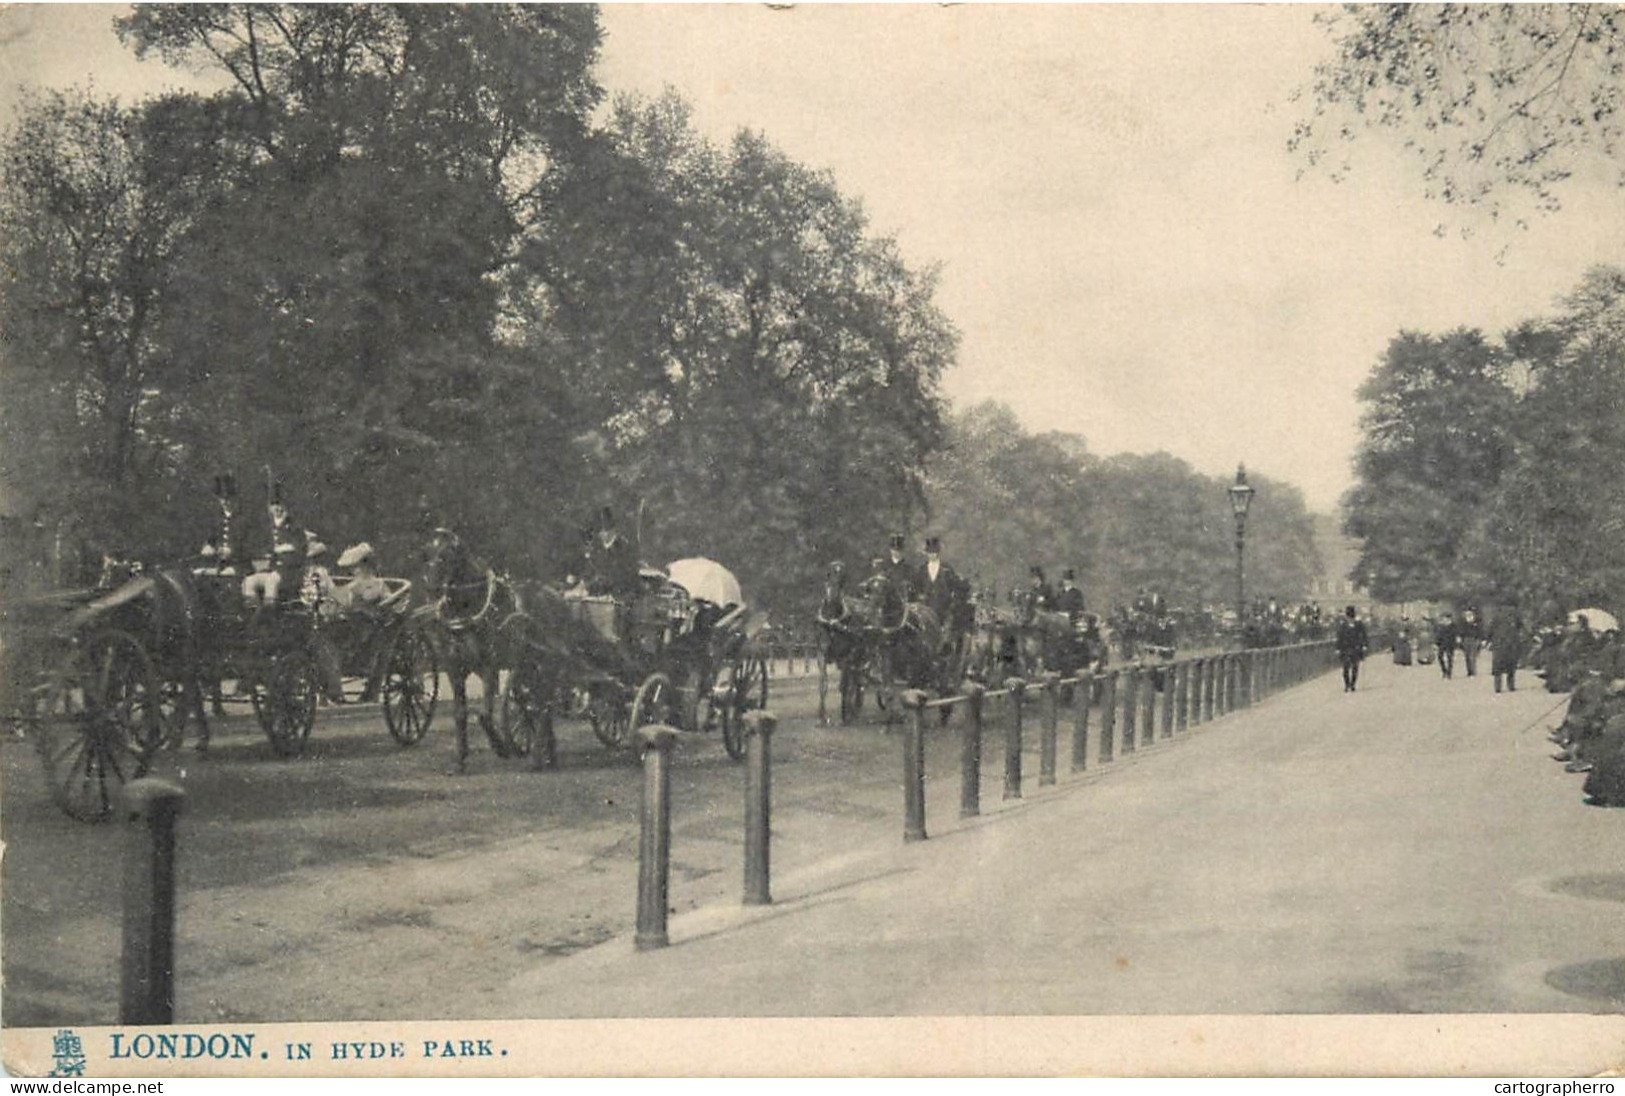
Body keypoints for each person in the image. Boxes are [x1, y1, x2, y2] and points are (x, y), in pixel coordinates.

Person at [583, 507, 639, 600]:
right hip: (599, 598)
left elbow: (626, 577)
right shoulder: (596, 550)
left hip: (621, 597)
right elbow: (589, 573)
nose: (602, 534)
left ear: (614, 530)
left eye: (605, 530)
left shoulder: (624, 548)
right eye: (600, 531)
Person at [1490, 607, 1525, 694]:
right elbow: (1521, 627)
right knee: (1511, 666)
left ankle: (1497, 687)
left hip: (1499, 643)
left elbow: (1490, 629)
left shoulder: (1496, 615)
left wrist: (1488, 639)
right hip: (1511, 643)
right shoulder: (1515, 615)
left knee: (1498, 666)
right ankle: (1511, 685)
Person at [1335, 605, 1369, 692]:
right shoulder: (1343, 624)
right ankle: (1347, 684)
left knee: (1355, 667)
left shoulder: (1358, 624)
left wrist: (1365, 645)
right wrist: (1338, 648)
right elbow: (1339, 637)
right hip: (1345, 648)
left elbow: (1364, 635)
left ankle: (1352, 684)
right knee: (1346, 668)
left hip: (1355, 647)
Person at [1457, 606, 1485, 677]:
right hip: (1466, 639)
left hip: (1474, 639)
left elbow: (1480, 631)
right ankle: (1469, 671)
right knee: (1467, 656)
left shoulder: (1477, 621)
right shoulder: (1463, 622)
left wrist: (1482, 639)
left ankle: (1473, 671)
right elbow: (1460, 631)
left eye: (1470, 614)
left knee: (1472, 655)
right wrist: (1460, 638)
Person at [1434, 611, 1457, 679]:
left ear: (1449, 619)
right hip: (1442, 644)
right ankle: (1444, 671)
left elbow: (1455, 636)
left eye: (1446, 619)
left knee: (1450, 659)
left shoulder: (1453, 626)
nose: (1445, 620)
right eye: (1444, 619)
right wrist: (1436, 643)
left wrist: (1456, 644)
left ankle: (1449, 673)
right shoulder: (1441, 627)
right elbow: (1438, 635)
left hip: (1450, 644)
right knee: (1440, 657)